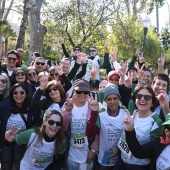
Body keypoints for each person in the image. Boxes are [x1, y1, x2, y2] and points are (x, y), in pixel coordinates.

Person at [118, 85, 163, 170]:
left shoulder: (156, 122)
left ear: (153, 102)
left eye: (147, 97)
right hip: (122, 163)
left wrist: (131, 131)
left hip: (139, 167)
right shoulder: (132, 114)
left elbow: (152, 151)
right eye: (139, 96)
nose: (142, 99)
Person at [86, 84, 127, 169]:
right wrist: (94, 112)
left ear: (119, 98)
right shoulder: (101, 113)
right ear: (105, 100)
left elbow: (128, 133)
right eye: (109, 99)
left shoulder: (125, 111)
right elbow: (90, 132)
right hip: (104, 158)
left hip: (121, 157)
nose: (112, 102)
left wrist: (118, 148)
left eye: (115, 98)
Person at [61, 79, 99, 170]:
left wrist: (93, 149)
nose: (82, 94)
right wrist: (67, 111)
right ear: (74, 91)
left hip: (86, 155)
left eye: (85, 92)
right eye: (79, 91)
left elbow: (99, 131)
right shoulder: (67, 104)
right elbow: (62, 128)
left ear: (88, 93)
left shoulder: (94, 106)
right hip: (71, 155)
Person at [0, 83, 38, 170]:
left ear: (26, 94)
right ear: (12, 94)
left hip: (22, 143)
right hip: (6, 142)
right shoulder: (5, 107)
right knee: (5, 164)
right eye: (15, 93)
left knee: (18, 164)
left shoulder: (31, 108)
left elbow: (37, 123)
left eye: (22, 92)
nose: (18, 95)